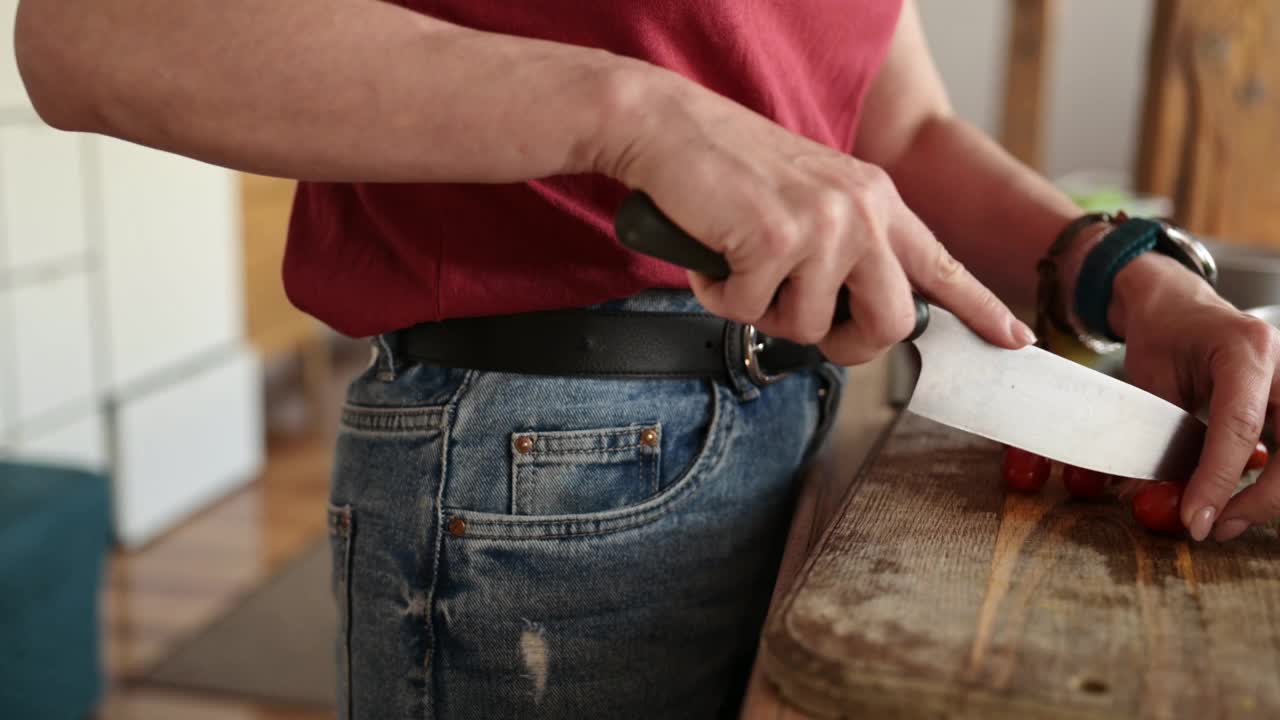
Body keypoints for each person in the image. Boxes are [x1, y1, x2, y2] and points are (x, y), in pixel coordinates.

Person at [16, 0, 1280, 717]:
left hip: (780, 419)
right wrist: (632, 113)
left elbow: (891, 124)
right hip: (544, 470)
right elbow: (92, 35)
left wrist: (1122, 273)